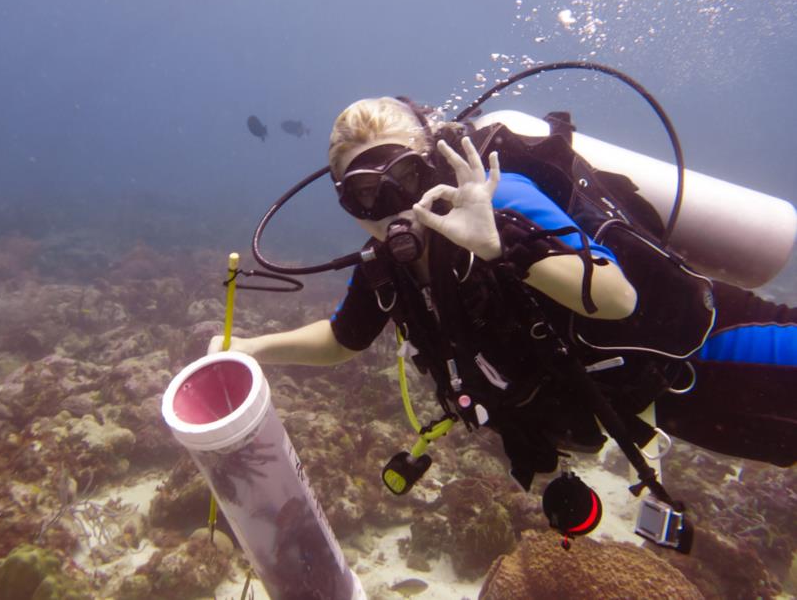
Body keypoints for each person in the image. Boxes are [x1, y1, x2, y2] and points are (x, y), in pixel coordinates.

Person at [210, 96, 796, 490]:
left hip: (712, 347)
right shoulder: (388, 261)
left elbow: (617, 299)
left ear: (433, 164)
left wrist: (498, 247)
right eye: (362, 197)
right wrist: (251, 350)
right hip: (655, 401)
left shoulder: (500, 196)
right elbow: (342, 339)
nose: (387, 211)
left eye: (404, 181)